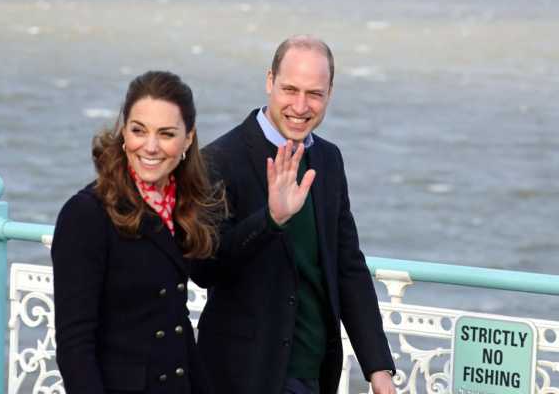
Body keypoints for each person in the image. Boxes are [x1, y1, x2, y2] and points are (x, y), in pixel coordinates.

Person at [191, 36, 396, 394]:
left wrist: (378, 368)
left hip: (314, 374)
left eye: (314, 93)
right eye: (290, 89)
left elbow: (348, 267)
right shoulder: (219, 160)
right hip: (242, 376)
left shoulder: (329, 161)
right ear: (270, 81)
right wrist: (270, 219)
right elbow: (204, 269)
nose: (300, 106)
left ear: (329, 93)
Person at [52, 71, 221, 394]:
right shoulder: (86, 214)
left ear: (187, 139)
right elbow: (75, 346)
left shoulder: (182, 204)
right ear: (123, 132)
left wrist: (272, 218)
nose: (151, 147)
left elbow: (176, 322)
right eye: (139, 130)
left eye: (167, 134)